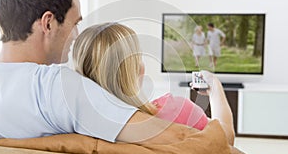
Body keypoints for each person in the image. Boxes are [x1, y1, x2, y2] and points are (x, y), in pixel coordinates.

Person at [0, 0, 274, 154]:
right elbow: (196, 144)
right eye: (75, 23)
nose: (75, 36)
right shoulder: (61, 89)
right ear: (48, 23)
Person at [72, 23, 209, 131]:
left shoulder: (72, 127)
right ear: (136, 70)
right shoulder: (177, 110)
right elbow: (222, 140)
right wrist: (215, 90)